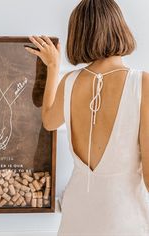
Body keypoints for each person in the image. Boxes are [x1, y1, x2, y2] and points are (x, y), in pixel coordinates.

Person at [25, 0, 149, 235]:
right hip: (124, 221)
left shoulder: (70, 82)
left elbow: (49, 121)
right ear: (119, 28)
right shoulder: (142, 83)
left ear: (79, 35)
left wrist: (53, 66)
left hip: (76, 218)